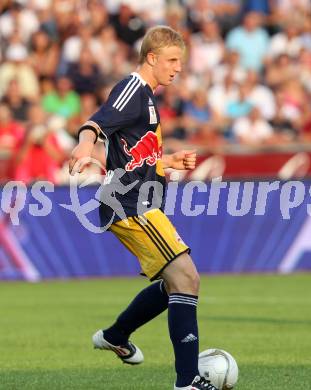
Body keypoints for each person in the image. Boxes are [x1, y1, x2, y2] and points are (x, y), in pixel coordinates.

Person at [69, 26, 217, 390]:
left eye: (180, 61)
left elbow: (132, 155)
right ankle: (187, 382)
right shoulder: (132, 89)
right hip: (130, 204)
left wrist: (167, 162)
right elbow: (96, 122)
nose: (177, 68)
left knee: (174, 285)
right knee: (187, 279)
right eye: (172, 60)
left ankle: (116, 335)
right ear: (152, 57)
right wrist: (84, 145)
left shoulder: (148, 98)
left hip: (140, 200)